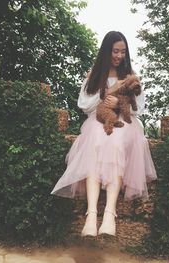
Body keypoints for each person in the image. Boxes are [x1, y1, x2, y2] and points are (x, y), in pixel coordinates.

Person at [51, 31, 157, 237]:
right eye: (115, 51)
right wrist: (109, 92)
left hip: (124, 121)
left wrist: (119, 102)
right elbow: (84, 105)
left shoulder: (130, 76)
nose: (119, 56)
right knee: (95, 141)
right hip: (98, 120)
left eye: (123, 52)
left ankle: (109, 213)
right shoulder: (95, 76)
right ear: (106, 51)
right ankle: (91, 215)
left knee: (116, 143)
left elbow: (139, 108)